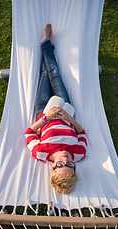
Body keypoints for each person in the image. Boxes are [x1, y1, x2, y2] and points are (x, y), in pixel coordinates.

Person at [25, 24, 87, 194]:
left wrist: (46, 118)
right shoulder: (80, 153)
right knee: (55, 73)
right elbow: (81, 134)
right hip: (66, 109)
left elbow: (29, 133)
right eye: (69, 165)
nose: (65, 160)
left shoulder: (41, 153)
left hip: (44, 111)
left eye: (60, 165)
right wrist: (68, 118)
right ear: (74, 168)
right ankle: (46, 43)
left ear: (52, 167)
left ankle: (46, 43)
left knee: (45, 75)